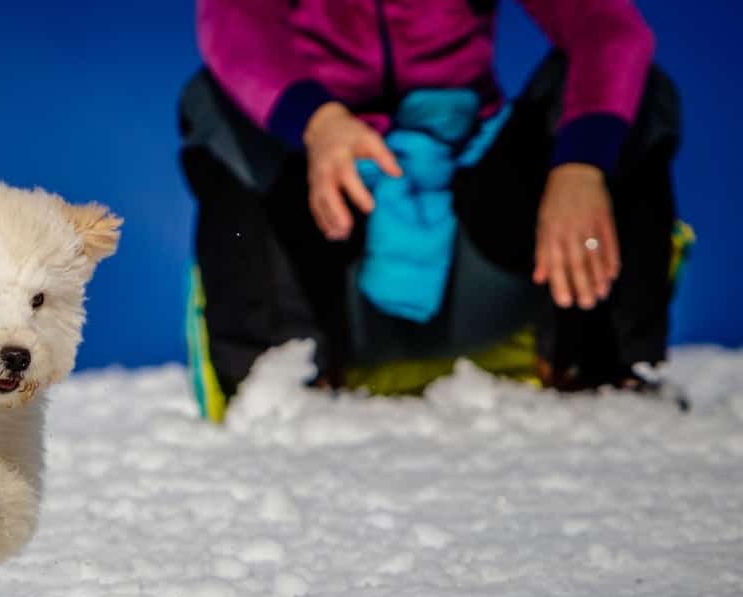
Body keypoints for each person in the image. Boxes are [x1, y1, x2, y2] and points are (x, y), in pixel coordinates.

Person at [178, 0, 684, 420]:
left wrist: (581, 164)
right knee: (214, 101)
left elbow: (609, 28)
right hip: (327, 255)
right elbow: (232, 22)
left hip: (481, 229)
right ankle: (268, 385)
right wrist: (318, 121)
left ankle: (608, 371)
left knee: (633, 91)